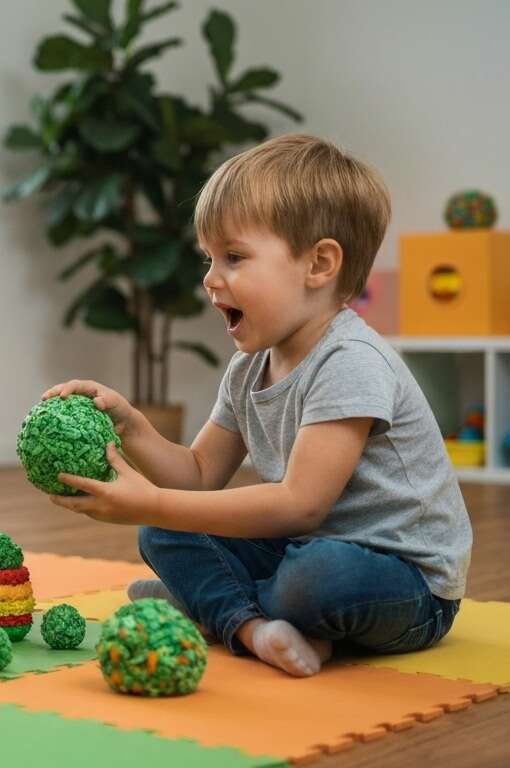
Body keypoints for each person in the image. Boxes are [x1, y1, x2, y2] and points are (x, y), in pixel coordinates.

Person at [43, 134, 471, 677]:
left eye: (234, 257)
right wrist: (131, 427)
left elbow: (300, 506)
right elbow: (198, 477)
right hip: (300, 552)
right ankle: (252, 626)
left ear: (318, 264)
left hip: (406, 585)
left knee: (317, 575)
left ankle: (215, 601)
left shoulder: (351, 360)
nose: (209, 277)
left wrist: (150, 500)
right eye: (209, 257)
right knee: (161, 531)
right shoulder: (249, 367)